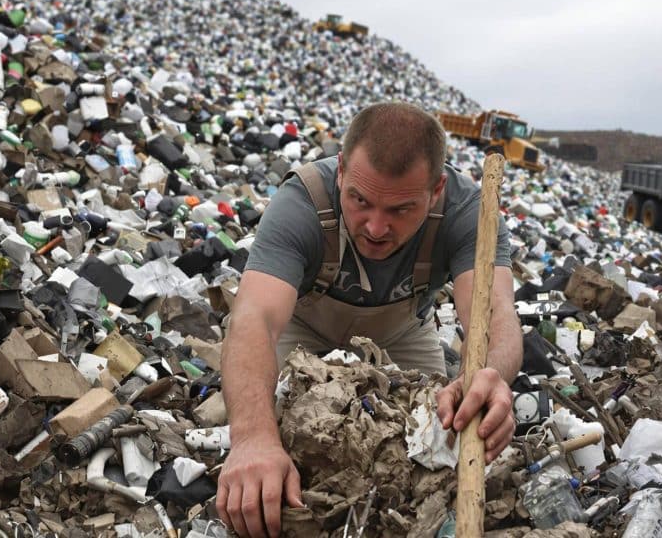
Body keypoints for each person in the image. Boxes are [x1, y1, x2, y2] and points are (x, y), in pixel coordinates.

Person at [216, 102, 524, 538]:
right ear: (341, 171)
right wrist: (252, 439)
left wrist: (491, 375)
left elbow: (495, 316)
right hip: (305, 331)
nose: (376, 228)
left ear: (436, 190)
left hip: (402, 334)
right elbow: (255, 319)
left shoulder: (467, 211)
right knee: (277, 432)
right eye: (360, 201)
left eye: (401, 209)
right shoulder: (304, 201)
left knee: (439, 438)